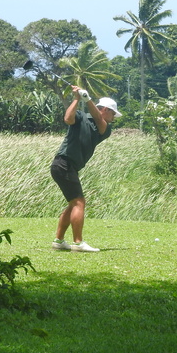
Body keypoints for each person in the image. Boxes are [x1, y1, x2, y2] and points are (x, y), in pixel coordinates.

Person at [50, 86, 122, 252]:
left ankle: (59, 241)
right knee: (79, 203)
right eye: (113, 114)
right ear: (105, 109)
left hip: (68, 166)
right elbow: (68, 119)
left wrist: (87, 99)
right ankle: (77, 243)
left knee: (73, 204)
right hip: (63, 163)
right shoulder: (81, 117)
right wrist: (76, 98)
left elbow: (99, 121)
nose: (113, 118)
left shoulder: (105, 129)